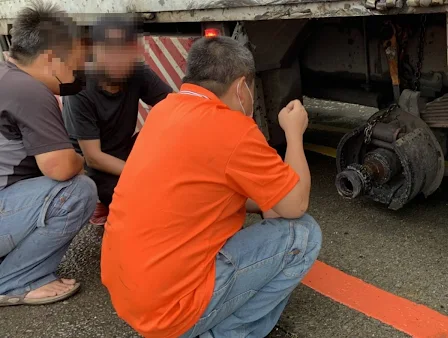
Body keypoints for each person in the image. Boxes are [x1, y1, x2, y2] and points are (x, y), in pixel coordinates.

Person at [101, 36, 322, 338]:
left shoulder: (164, 111)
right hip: (171, 311)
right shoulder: (233, 129)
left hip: (130, 294)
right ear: (241, 86)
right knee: (304, 234)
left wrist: (261, 202)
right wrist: (294, 134)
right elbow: (295, 205)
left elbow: (198, 194)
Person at [0, 2, 97, 306]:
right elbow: (60, 167)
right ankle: (15, 282)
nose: (75, 77)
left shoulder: (6, 74)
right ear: (51, 59)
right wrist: (81, 160)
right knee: (78, 191)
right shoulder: (28, 90)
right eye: (72, 68)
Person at [62, 14, 172, 226]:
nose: (118, 59)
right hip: (94, 167)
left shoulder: (137, 72)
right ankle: (101, 203)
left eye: (125, 50)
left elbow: (174, 108)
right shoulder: (78, 89)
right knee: (148, 201)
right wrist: (145, 174)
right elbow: (93, 157)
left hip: (125, 150)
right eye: (109, 49)